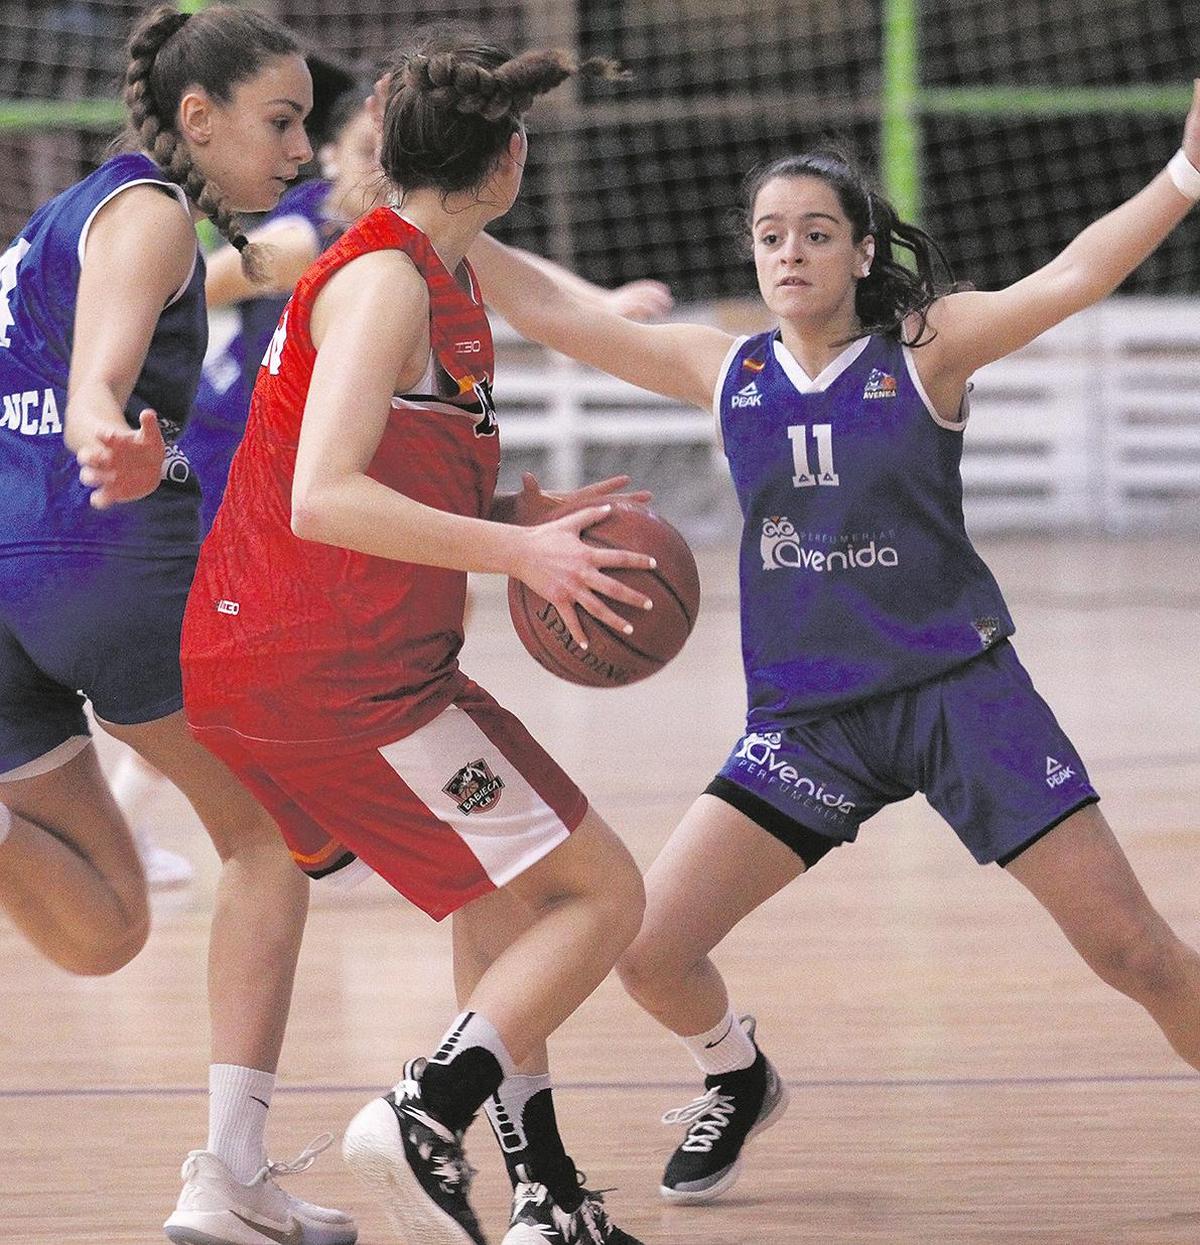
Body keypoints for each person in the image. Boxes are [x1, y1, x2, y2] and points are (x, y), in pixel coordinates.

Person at [463, 84, 1200, 1206]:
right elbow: (569, 325)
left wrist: (1187, 173)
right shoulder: (730, 372)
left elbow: (1074, 274)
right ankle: (738, 1073)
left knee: (1132, 952)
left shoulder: (926, 349)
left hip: (960, 695)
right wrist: (444, 222)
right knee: (648, 952)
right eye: (770, 237)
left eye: (815, 234)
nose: (790, 253)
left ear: (860, 250)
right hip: (809, 721)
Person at [180, 28, 658, 1245]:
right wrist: (526, 556)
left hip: (295, 659)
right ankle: (426, 1106)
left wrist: (513, 512)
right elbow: (323, 497)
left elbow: (363, 476)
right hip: (337, 674)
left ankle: (543, 1191)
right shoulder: (387, 279)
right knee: (601, 893)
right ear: (509, 162)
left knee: (503, 894)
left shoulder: (427, 274)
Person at [0, 7, 358, 1244]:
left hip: (9, 578)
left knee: (105, 925)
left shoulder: (56, 224)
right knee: (272, 843)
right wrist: (103, 417)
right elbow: (101, 364)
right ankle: (230, 1174)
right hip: (95, 559)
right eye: (284, 120)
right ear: (197, 119)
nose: (302, 147)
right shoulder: (149, 209)